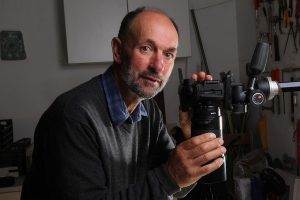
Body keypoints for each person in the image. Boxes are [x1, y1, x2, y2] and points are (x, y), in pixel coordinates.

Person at [21, 7, 226, 200]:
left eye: (168, 54)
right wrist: (170, 176)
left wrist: (190, 139)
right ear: (118, 50)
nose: (158, 66)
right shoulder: (73, 116)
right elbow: (167, 179)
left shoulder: (148, 109)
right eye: (146, 48)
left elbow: (174, 187)